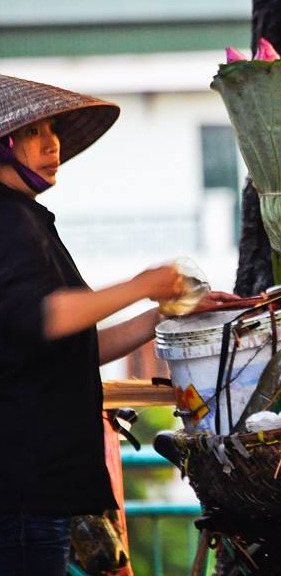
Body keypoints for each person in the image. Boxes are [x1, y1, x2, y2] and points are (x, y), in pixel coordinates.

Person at [0, 74, 229, 574]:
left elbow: (73, 343)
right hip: (23, 490)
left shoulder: (28, 219)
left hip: (44, 490)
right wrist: (143, 283)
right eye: (35, 132)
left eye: (53, 129)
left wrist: (161, 313)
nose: (52, 144)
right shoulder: (7, 221)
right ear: (5, 145)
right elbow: (44, 318)